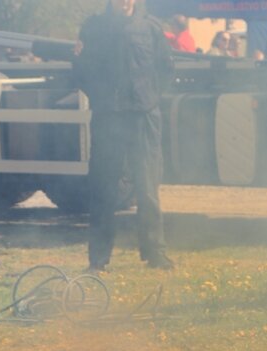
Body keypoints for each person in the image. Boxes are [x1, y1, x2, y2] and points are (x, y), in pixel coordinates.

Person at [75, 0, 173, 271]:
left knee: (148, 187)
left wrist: (150, 100)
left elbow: (165, 69)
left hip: (144, 116)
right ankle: (98, 259)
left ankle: (155, 254)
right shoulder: (94, 28)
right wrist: (102, 99)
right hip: (108, 117)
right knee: (104, 189)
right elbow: (82, 71)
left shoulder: (151, 27)